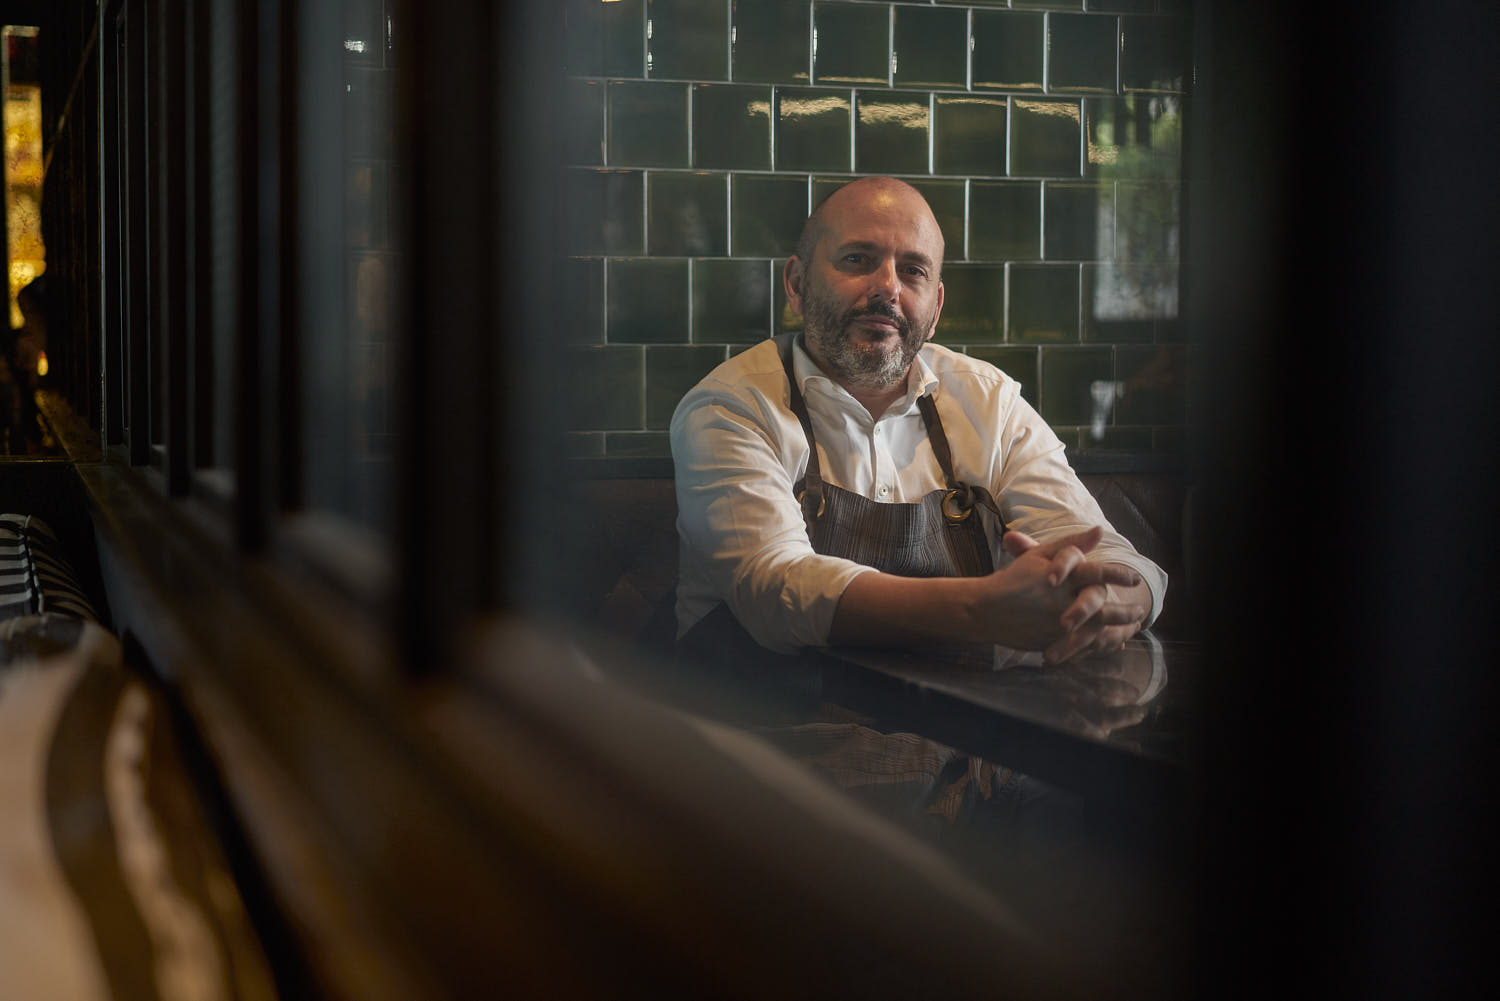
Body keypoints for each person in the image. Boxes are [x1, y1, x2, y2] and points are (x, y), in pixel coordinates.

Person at [670, 177, 1165, 666]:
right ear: (797, 284)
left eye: (912, 270)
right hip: (776, 737)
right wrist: (980, 609)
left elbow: (1105, 550)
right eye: (857, 259)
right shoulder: (730, 406)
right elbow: (775, 589)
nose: (887, 287)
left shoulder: (988, 400)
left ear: (935, 311)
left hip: (969, 738)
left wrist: (1122, 598)